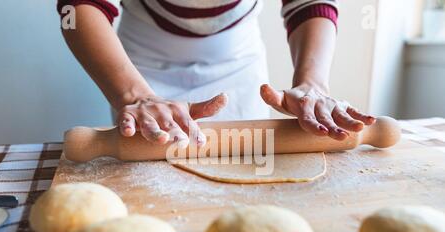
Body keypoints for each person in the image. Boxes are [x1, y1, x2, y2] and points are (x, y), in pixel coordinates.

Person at [58, 0, 375, 148]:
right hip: (142, 68)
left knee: (248, 168)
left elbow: (309, 4)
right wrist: (135, 94)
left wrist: (312, 84)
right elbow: (79, 7)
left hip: (239, 67)